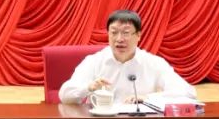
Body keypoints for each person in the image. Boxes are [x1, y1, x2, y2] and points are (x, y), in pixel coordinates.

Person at [58, 9, 195, 106]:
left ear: (138, 35)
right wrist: (89, 87)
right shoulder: (93, 61)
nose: (119, 39)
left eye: (126, 33)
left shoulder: (154, 63)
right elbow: (64, 95)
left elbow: (188, 93)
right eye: (114, 32)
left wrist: (147, 98)